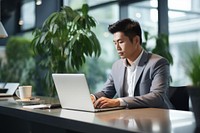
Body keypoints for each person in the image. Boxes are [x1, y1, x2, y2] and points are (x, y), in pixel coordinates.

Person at [91, 18, 173, 109]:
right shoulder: (117, 66)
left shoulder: (158, 63)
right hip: (128, 118)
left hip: (157, 118)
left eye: (121, 42)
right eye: (115, 43)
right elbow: (106, 92)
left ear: (136, 40)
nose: (117, 47)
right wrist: (93, 97)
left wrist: (119, 101)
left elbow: (157, 97)